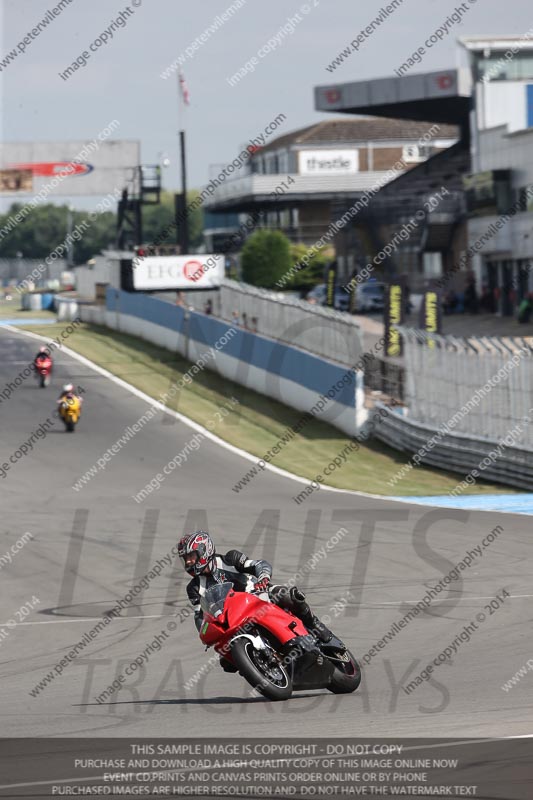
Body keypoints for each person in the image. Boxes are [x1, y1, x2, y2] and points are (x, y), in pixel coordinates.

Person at [178, 531, 333, 670]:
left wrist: (263, 578)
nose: (188, 563)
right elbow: (200, 616)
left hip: (257, 595)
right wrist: (207, 634)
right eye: (185, 559)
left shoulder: (230, 559)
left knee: (287, 595)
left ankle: (315, 625)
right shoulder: (193, 588)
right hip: (231, 618)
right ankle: (262, 665)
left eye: (191, 557)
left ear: (204, 551)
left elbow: (259, 564)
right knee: (227, 662)